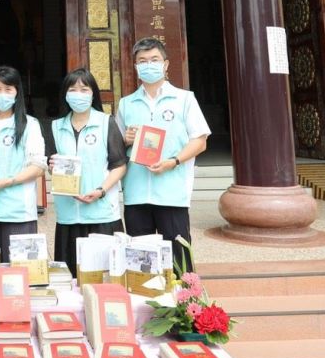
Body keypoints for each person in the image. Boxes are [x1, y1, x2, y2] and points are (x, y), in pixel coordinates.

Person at [115, 37, 211, 268]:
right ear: (136, 66)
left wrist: (174, 161)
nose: (149, 65)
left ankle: (184, 301)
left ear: (166, 64)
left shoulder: (184, 99)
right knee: (141, 260)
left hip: (172, 192)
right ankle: (145, 303)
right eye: (143, 61)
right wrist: (125, 140)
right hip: (137, 193)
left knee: (178, 257)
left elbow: (200, 141)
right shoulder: (126, 104)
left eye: (154, 59)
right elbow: (116, 148)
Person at [45, 68, 128, 275]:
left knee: (106, 276)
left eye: (84, 89)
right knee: (71, 277)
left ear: (93, 94)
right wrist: (52, 166)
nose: (78, 94)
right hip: (68, 214)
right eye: (73, 89)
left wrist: (100, 190)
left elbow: (119, 165)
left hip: (101, 213)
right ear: (65, 94)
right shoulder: (56, 127)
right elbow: (51, 164)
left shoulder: (105, 122)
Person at [0, 66, 47, 263]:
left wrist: (7, 181)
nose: (2, 94)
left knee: (18, 273)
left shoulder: (29, 124)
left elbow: (38, 167)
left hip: (18, 212)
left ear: (17, 93)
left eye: (8, 89)